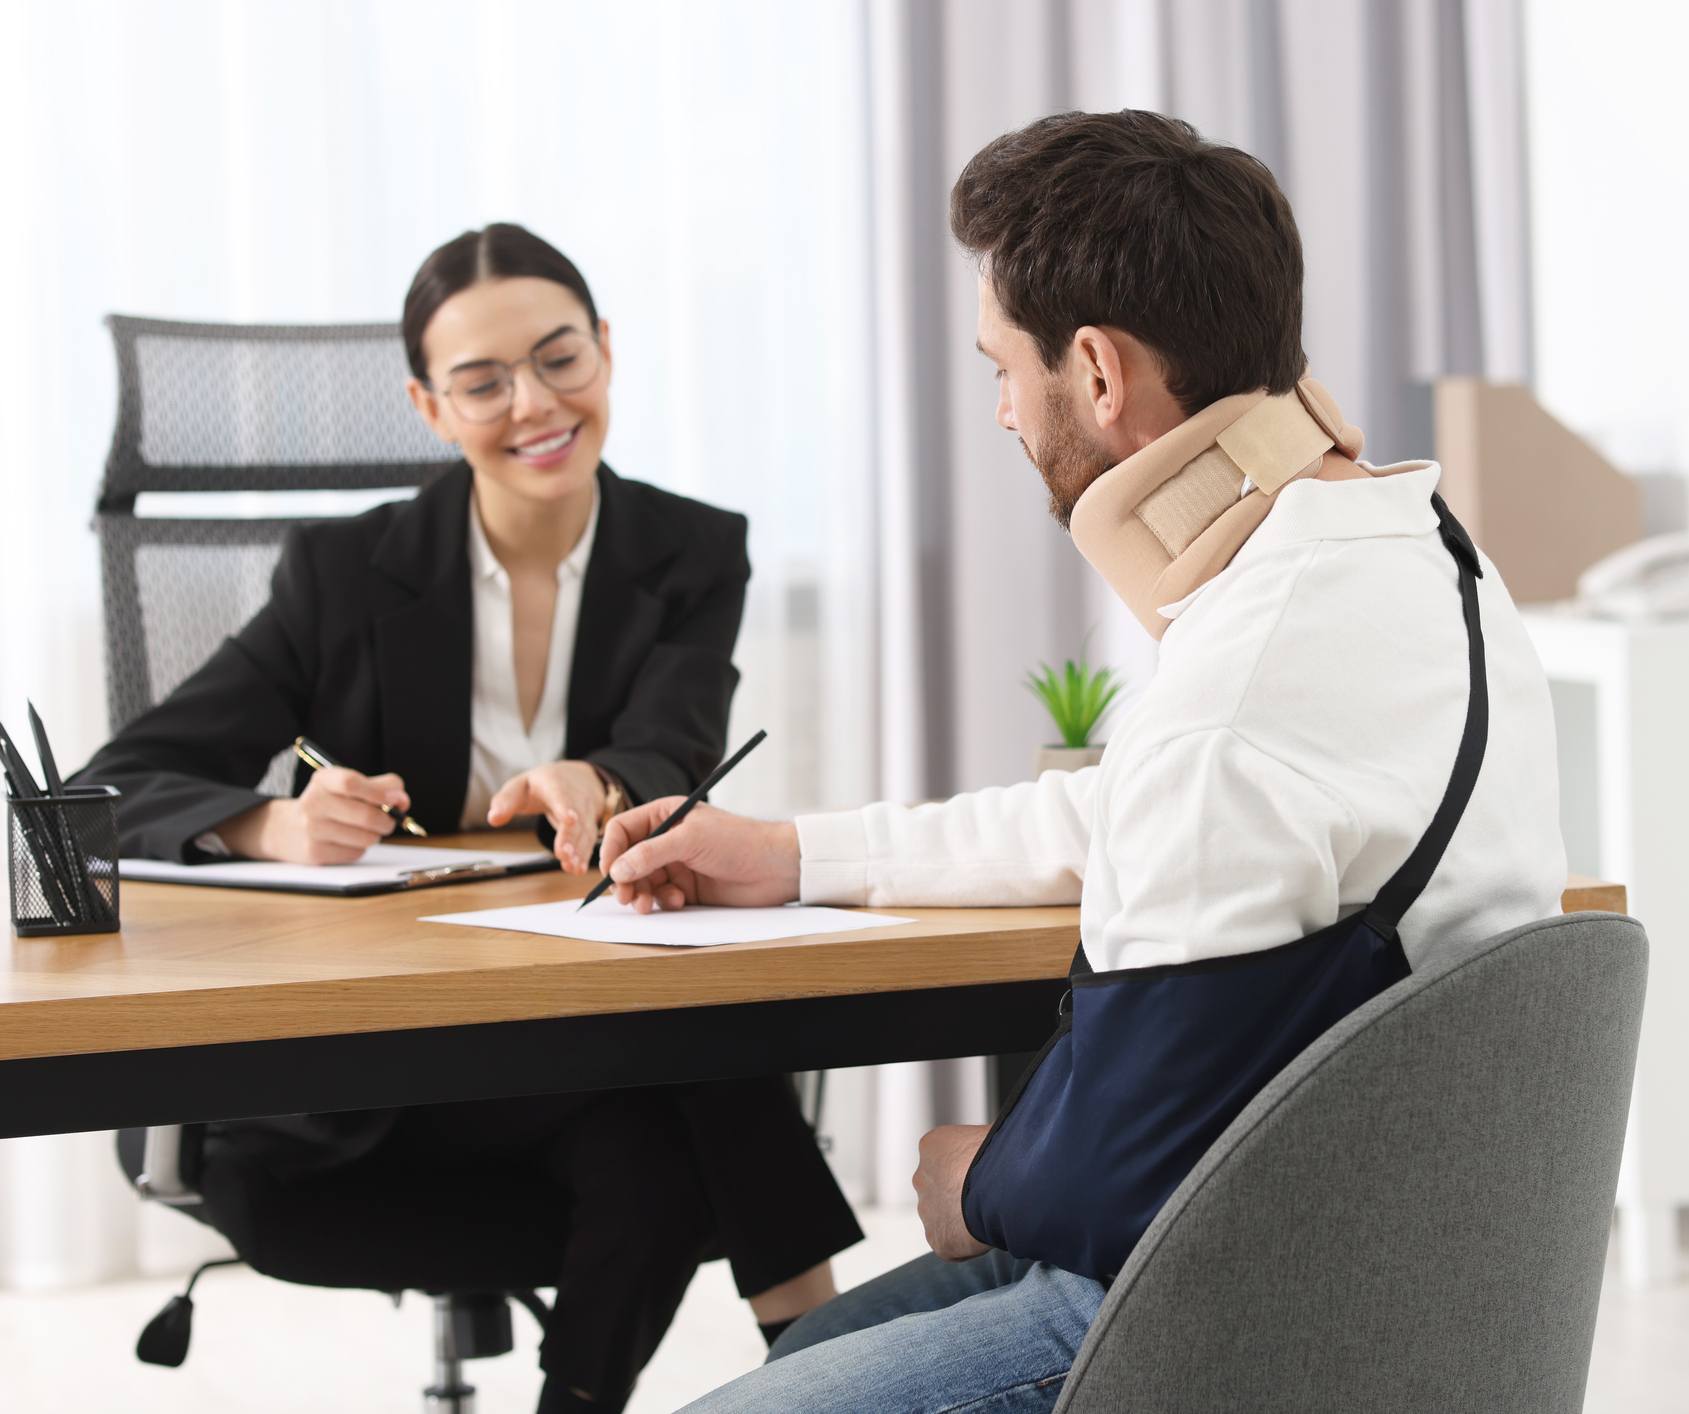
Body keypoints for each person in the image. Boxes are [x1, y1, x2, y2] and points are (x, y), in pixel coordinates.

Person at [600, 111, 1569, 1414]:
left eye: (1004, 367)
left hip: (1220, 1300)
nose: (1002, 409)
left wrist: (975, 1174)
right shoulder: (1421, 552)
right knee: (801, 1366)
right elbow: (1137, 811)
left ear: (1099, 374)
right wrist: (792, 855)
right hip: (1411, 1251)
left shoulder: (1236, 694)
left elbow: (1117, 1177)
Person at [72, 224, 861, 1413]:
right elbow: (113, 785)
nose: (532, 404)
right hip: (371, 1066)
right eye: (481, 382)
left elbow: (674, 737)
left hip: (575, 1042)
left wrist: (595, 775)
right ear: (428, 406)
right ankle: (826, 1350)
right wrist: (267, 826)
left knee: (663, 1130)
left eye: (559, 359)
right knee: (695, 1068)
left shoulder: (692, 551)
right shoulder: (343, 571)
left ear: (606, 350)